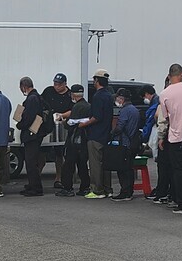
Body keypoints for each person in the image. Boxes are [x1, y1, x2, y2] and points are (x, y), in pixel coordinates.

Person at [159, 64, 182, 215]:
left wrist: (161, 137)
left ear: (169, 76)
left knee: (178, 171)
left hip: (175, 136)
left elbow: (165, 117)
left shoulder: (164, 94)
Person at [78, 69, 114, 199]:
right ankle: (107, 189)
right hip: (106, 134)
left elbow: (96, 117)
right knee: (105, 163)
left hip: (96, 135)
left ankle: (97, 190)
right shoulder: (109, 95)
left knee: (95, 164)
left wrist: (83, 124)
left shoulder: (98, 96)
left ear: (97, 80)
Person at [56, 84, 92, 197]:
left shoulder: (76, 107)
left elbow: (70, 124)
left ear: (73, 94)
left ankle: (67, 188)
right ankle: (85, 187)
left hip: (74, 140)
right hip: (85, 140)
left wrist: (63, 122)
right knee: (82, 165)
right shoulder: (88, 105)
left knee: (68, 165)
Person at [40, 73, 73, 190]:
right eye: (55, 84)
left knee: (59, 154)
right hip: (47, 125)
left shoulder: (70, 95)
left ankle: (58, 178)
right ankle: (36, 176)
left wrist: (61, 115)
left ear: (65, 84)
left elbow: (73, 109)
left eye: (59, 84)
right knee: (42, 152)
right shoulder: (48, 91)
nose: (56, 86)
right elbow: (40, 102)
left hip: (61, 126)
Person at [110, 88, 140, 201]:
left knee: (122, 169)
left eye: (117, 98)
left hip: (124, 143)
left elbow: (120, 127)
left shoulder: (125, 111)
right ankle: (129, 191)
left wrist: (111, 133)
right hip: (133, 142)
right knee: (129, 168)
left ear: (121, 99)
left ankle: (125, 192)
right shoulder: (135, 110)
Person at [16, 76, 44, 196]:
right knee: (31, 161)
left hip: (32, 134)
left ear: (24, 87)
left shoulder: (32, 99)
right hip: (36, 133)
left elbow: (29, 117)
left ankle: (36, 188)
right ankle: (32, 185)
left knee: (31, 162)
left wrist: (20, 125)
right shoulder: (37, 97)